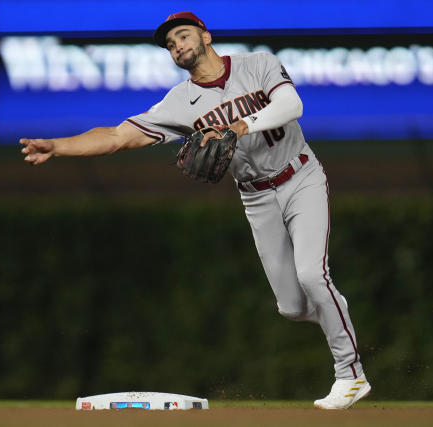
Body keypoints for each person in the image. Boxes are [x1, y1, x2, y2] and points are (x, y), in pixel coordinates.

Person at [20, 11, 371, 409]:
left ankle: (350, 375)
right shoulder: (179, 103)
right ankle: (334, 308)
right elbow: (118, 136)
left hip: (300, 177)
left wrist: (239, 127)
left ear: (206, 35)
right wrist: (59, 146)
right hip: (255, 196)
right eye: (170, 45)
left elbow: (292, 105)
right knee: (292, 307)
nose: (177, 46)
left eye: (183, 36)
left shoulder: (258, 64)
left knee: (312, 274)